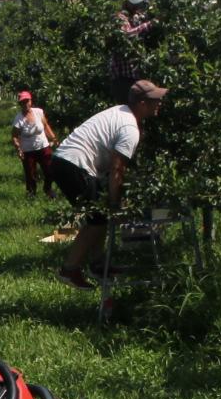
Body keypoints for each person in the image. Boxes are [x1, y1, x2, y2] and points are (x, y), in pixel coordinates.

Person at [45, 78, 167, 288]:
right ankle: (69, 269)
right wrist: (115, 203)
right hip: (73, 165)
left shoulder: (121, 112)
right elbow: (117, 169)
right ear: (142, 103)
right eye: (155, 100)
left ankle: (98, 264)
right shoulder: (129, 128)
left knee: (99, 216)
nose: (159, 103)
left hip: (66, 161)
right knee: (98, 218)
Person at [107, 0, 158, 86]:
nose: (136, 5)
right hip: (123, 78)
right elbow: (127, 35)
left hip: (133, 75)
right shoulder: (119, 17)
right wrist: (151, 24)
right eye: (133, 3)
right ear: (125, 2)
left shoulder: (133, 15)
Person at [10, 90, 57, 197]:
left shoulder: (39, 112)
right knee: (31, 175)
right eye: (22, 102)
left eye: (27, 101)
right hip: (28, 151)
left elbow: (45, 126)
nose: (25, 104)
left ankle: (48, 189)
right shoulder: (18, 119)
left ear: (31, 101)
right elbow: (14, 136)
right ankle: (31, 194)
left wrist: (54, 139)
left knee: (50, 170)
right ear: (20, 104)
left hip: (43, 147)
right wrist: (18, 148)